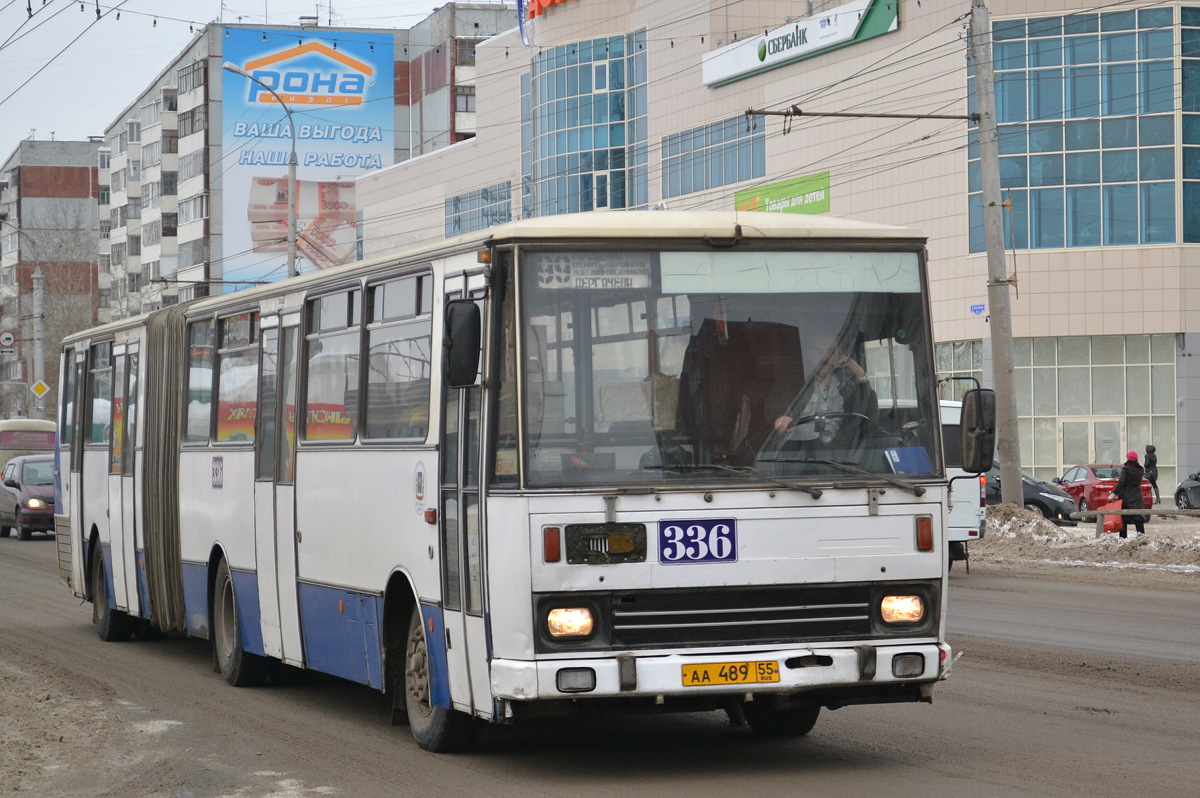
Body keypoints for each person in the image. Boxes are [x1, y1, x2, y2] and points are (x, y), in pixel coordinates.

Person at [772, 330, 874, 451]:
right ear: (809, 354)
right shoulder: (795, 382)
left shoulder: (845, 386)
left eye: (830, 351)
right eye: (817, 351)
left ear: (839, 355)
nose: (824, 356)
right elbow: (774, 407)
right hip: (795, 452)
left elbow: (870, 410)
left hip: (837, 453)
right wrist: (781, 418)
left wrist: (857, 370)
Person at [1111, 451, 1146, 539]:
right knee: (1138, 519)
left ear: (1128, 458)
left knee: (1123, 519)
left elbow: (1121, 483)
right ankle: (1141, 539)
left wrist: (1113, 493)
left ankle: (1123, 539)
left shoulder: (1126, 469)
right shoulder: (1140, 469)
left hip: (1126, 497)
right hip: (1137, 497)